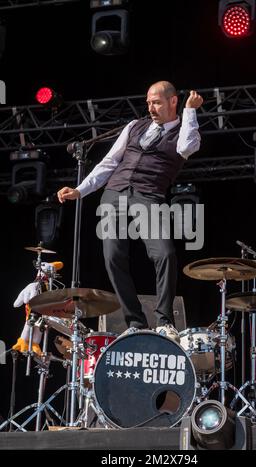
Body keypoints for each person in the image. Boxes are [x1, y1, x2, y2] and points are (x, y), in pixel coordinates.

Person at [57, 81, 203, 341]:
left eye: (156, 102)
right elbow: (109, 162)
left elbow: (186, 148)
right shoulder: (134, 126)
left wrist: (191, 112)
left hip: (148, 196)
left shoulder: (184, 130)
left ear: (173, 101)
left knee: (164, 254)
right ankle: (134, 321)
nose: (151, 108)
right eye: (148, 102)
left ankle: (164, 320)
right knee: (113, 258)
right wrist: (80, 190)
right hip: (113, 195)